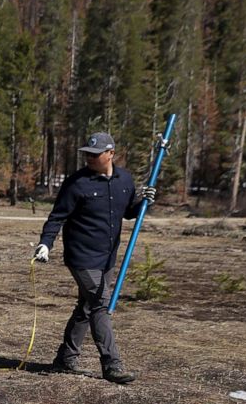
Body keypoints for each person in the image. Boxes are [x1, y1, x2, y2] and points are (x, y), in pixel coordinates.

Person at [33, 132, 156, 384]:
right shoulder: (76, 183)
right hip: (81, 257)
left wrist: (145, 201)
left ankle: (65, 359)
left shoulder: (125, 180)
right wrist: (46, 243)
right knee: (100, 304)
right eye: (86, 154)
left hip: (107, 257)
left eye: (95, 154)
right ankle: (112, 364)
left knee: (87, 307)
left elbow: (130, 213)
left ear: (110, 153)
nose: (88, 158)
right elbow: (57, 217)